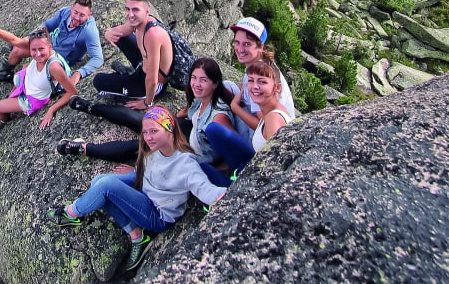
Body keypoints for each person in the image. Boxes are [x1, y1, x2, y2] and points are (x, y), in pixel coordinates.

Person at [47, 106, 225, 274]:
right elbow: (153, 171)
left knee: (105, 186)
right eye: (146, 132)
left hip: (157, 214)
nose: (148, 137)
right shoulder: (155, 149)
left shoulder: (186, 163)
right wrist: (135, 173)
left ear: (169, 129)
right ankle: (137, 235)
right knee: (98, 180)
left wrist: (219, 195)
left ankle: (71, 213)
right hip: (146, 188)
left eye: (154, 131)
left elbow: (202, 186)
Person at [61, 57, 234, 182]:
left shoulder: (218, 118)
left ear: (215, 83)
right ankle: (88, 106)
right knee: (142, 118)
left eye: (203, 80)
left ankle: (82, 149)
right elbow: (190, 111)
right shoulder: (201, 98)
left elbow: (234, 151)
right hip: (187, 129)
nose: (196, 84)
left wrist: (211, 171)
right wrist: (174, 115)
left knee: (139, 146)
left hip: (190, 151)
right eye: (194, 78)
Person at [204, 51, 294, 180]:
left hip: (256, 178)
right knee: (213, 130)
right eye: (251, 81)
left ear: (277, 87)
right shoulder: (270, 111)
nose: (255, 87)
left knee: (202, 169)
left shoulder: (273, 118)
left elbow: (276, 165)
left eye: (262, 82)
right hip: (252, 161)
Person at [0, 0, 104, 85]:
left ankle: (16, 90)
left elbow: (98, 58)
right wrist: (33, 36)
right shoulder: (65, 12)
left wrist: (79, 73)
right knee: (17, 49)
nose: (77, 17)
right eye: (75, 12)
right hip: (50, 45)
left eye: (82, 15)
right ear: (72, 8)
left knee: (27, 70)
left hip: (62, 58)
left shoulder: (89, 31)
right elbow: (47, 25)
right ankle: (4, 74)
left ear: (89, 15)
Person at [91, 0, 172, 110]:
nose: (130, 14)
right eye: (127, 9)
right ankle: (129, 73)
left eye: (135, 10)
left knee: (98, 81)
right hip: (143, 66)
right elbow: (116, 31)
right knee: (121, 37)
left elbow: (152, 79)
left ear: (147, 11)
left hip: (147, 85)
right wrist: (108, 33)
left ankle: (129, 80)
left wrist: (147, 103)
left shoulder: (153, 35)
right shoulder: (141, 20)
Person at [0, 28, 77, 130]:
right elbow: (14, 40)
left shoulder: (54, 67)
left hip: (32, 98)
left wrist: (51, 110)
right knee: (21, 72)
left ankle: (5, 122)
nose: (37, 54)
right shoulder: (38, 51)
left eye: (41, 49)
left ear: (49, 47)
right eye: (34, 50)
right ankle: (11, 99)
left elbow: (72, 92)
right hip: (28, 82)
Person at [226, 17, 295, 139]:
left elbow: (263, 127)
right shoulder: (261, 65)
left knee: (221, 92)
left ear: (260, 47)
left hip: (266, 138)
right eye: (237, 42)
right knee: (227, 87)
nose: (240, 49)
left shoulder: (259, 76)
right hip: (277, 128)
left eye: (247, 44)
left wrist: (235, 108)